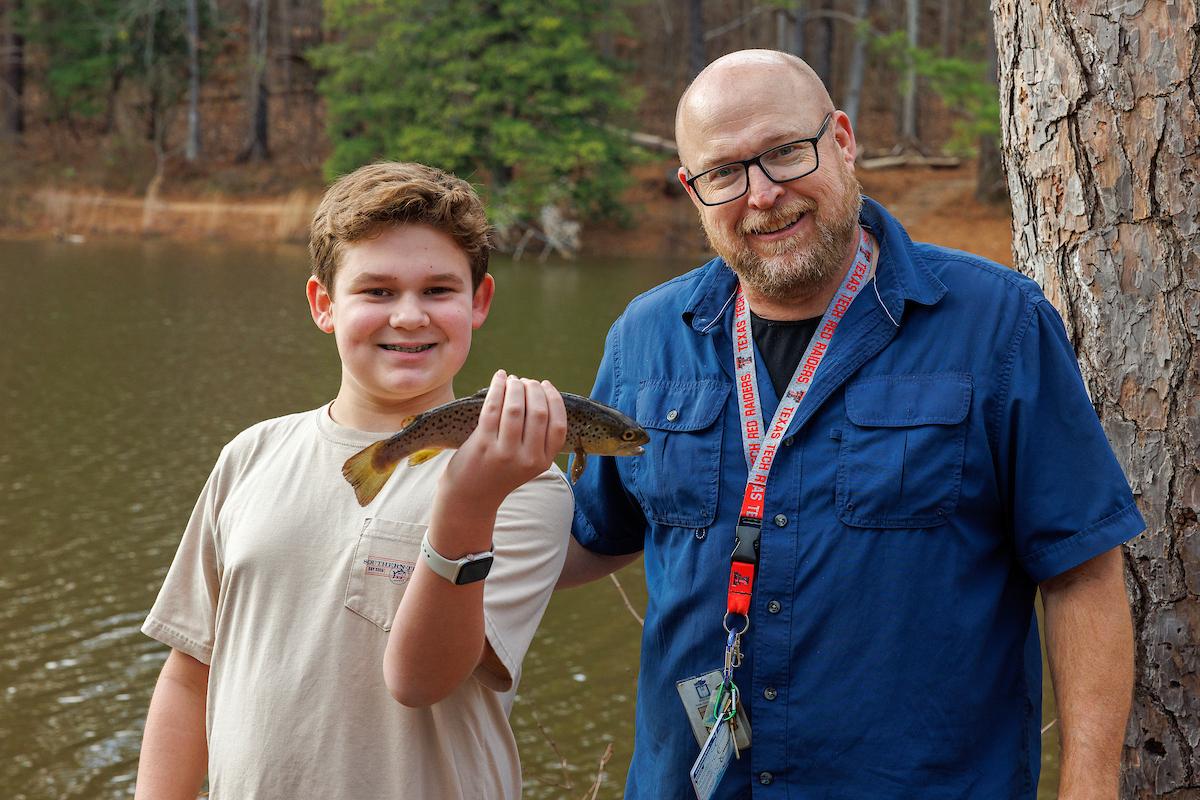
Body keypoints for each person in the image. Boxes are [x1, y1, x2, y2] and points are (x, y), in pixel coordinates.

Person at [559, 50, 1141, 799]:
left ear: (841, 138)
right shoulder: (645, 338)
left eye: (783, 153)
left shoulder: (998, 325)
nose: (761, 195)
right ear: (692, 190)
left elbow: (1082, 570)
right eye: (725, 173)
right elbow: (589, 538)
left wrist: (1090, 786)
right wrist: (464, 499)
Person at [135, 161, 573, 799]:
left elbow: (420, 680)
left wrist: (466, 505)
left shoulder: (524, 483)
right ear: (323, 305)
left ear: (478, 303)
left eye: (438, 291)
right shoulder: (251, 455)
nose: (409, 317)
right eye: (376, 291)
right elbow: (189, 674)